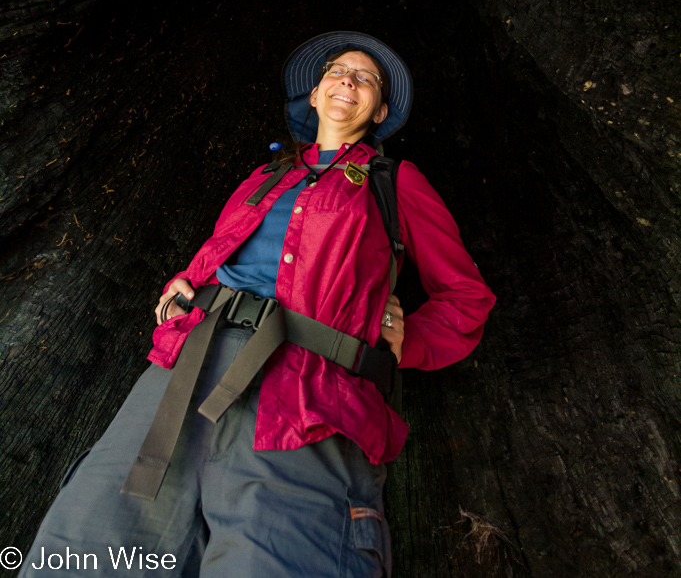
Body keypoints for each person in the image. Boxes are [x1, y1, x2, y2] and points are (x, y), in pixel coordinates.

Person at [20, 31, 495, 578]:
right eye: (338, 71)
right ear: (314, 96)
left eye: (367, 78)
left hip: (310, 386)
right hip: (185, 369)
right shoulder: (265, 177)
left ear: (380, 110)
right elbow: (219, 255)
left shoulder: (396, 183)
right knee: (92, 543)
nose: (349, 80)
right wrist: (185, 283)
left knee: (279, 556)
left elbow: (466, 298)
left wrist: (405, 339)